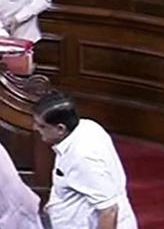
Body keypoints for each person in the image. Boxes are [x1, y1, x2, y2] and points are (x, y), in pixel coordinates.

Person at [33, 90, 137, 229]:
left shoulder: (84, 157)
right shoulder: (86, 126)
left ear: (60, 129)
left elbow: (109, 210)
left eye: (41, 126)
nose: (34, 128)